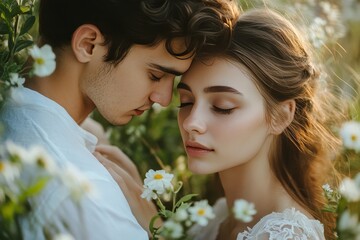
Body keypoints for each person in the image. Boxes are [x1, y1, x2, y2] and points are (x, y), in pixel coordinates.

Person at [0, 0, 238, 239]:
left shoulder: (11, 112)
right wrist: (157, 231)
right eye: (155, 75)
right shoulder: (89, 196)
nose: (164, 99)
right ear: (88, 45)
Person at [177, 8, 342, 240]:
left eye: (223, 106)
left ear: (281, 117)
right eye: (185, 102)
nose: (191, 123)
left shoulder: (288, 236)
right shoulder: (217, 217)